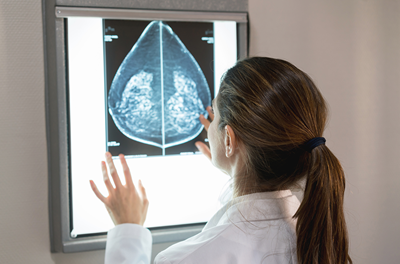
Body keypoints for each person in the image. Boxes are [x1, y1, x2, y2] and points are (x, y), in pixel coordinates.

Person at [90, 57, 352, 264]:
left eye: (214, 115)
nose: (208, 124)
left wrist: (127, 231)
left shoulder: (183, 260)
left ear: (229, 139)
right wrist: (235, 164)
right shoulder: (318, 237)